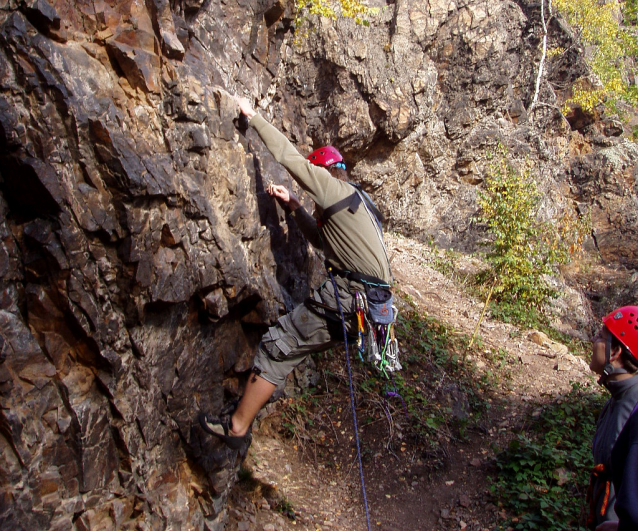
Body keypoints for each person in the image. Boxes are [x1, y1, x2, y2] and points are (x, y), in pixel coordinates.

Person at [198, 95, 392, 449]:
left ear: (326, 173)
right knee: (291, 347)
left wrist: (253, 117)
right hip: (371, 308)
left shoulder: (331, 188)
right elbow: (322, 240)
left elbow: (287, 156)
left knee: (280, 343)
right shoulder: (360, 202)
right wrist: (295, 207)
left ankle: (238, 427)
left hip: (351, 298)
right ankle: (251, 403)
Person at [586, 305, 638, 531]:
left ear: (615, 351)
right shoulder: (618, 396)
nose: (594, 341)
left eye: (600, 336)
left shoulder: (634, 404)